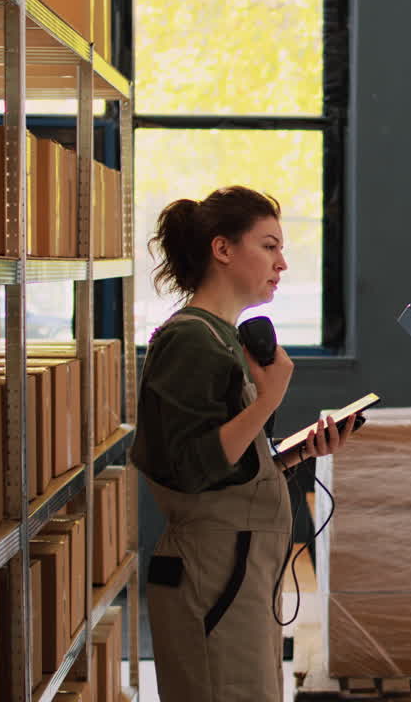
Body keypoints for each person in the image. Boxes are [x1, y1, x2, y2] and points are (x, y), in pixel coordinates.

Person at [130, 185, 357, 701]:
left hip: (239, 570)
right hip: (214, 574)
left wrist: (300, 452)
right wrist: (269, 398)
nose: (282, 264)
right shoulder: (190, 339)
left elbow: (229, 461)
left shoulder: (222, 337)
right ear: (223, 249)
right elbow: (193, 468)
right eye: (269, 246)